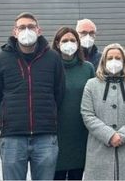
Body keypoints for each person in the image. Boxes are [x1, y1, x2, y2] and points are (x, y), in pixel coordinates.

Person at [0, 12, 66, 181]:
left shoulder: (53, 58)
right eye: (22, 27)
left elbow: (59, 94)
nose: (26, 30)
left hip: (45, 136)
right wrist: (7, 117)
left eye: (31, 26)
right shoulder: (1, 59)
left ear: (39, 30)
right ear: (14, 32)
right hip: (12, 137)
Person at [80, 43, 125, 180]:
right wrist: (109, 135)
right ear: (103, 61)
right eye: (110, 58)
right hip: (99, 150)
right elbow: (87, 114)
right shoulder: (91, 85)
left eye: (118, 58)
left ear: (124, 61)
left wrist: (122, 135)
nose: (114, 61)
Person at [51, 27, 96, 180]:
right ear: (57, 44)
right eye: (65, 40)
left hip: (81, 134)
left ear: (78, 44)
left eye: (72, 40)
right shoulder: (50, 67)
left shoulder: (88, 68)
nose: (69, 43)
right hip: (56, 134)